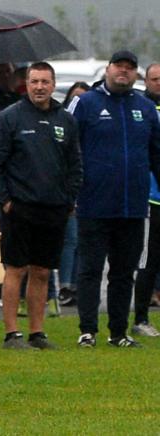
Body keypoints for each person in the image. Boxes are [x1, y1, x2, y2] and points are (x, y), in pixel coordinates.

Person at [0, 62, 83, 349]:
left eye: (45, 82)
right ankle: (12, 333)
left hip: (54, 208)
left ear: (53, 85)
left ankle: (37, 333)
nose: (39, 87)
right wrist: (6, 202)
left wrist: (70, 198)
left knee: (42, 270)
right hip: (19, 208)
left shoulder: (66, 120)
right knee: (16, 269)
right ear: (26, 84)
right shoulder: (9, 118)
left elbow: (75, 164)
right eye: (34, 81)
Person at [69, 50, 160, 348]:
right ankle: (87, 331)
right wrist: (71, 190)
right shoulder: (86, 103)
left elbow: (156, 155)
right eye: (118, 66)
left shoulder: (145, 108)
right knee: (91, 270)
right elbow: (68, 149)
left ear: (136, 74)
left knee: (124, 272)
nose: (124, 71)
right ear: (107, 69)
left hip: (133, 207)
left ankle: (119, 332)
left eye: (130, 68)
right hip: (94, 204)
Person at [131, 63, 160, 337]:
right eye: (154, 79)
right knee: (148, 261)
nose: (159, 83)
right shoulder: (141, 110)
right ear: (146, 81)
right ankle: (140, 318)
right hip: (152, 200)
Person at [56, 81, 90, 308]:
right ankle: (66, 284)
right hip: (67, 188)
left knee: (81, 241)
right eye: (74, 97)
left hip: (86, 187)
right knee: (71, 239)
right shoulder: (63, 126)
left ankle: (77, 283)